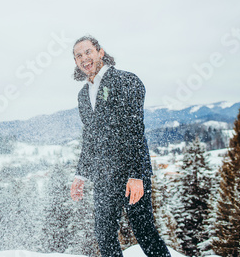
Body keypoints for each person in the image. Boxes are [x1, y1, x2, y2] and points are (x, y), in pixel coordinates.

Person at [70, 36, 171, 257]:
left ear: (100, 52)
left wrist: (136, 174)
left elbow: (134, 129)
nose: (84, 58)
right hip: (104, 175)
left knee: (144, 231)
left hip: (130, 173)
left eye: (88, 52)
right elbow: (90, 137)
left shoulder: (127, 81)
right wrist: (81, 174)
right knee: (104, 234)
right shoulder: (83, 96)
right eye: (78, 55)